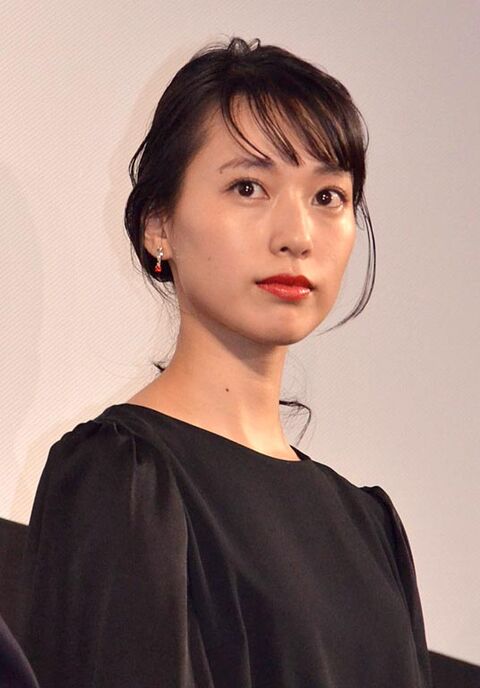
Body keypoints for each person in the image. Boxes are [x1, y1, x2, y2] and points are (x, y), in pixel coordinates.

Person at [20, 37, 433, 687]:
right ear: (159, 223)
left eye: (328, 196)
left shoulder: (370, 525)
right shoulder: (123, 475)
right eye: (249, 186)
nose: (296, 235)